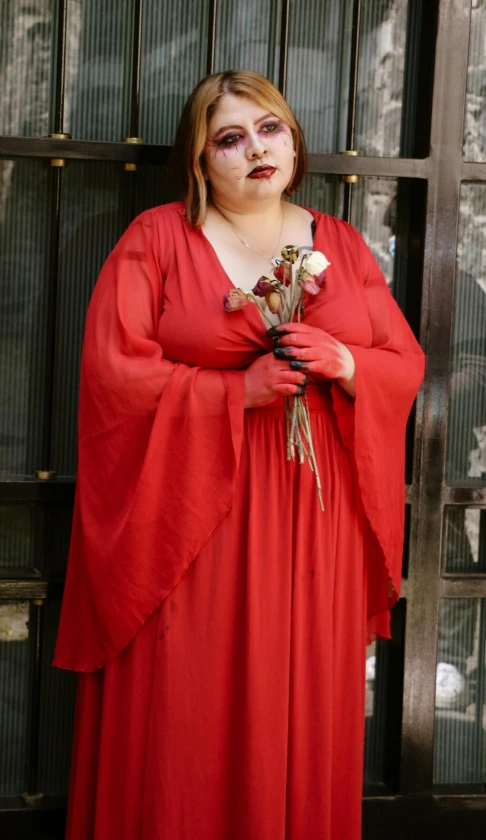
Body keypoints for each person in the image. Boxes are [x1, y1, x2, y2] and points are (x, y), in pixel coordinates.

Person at [54, 69, 425, 840]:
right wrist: (233, 393)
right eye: (229, 138)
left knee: (296, 699)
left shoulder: (344, 243)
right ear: (198, 161)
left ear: (293, 139)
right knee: (185, 699)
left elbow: (404, 360)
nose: (256, 148)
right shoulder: (156, 239)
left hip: (313, 519)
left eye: (270, 128)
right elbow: (111, 375)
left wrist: (346, 363)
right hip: (191, 515)